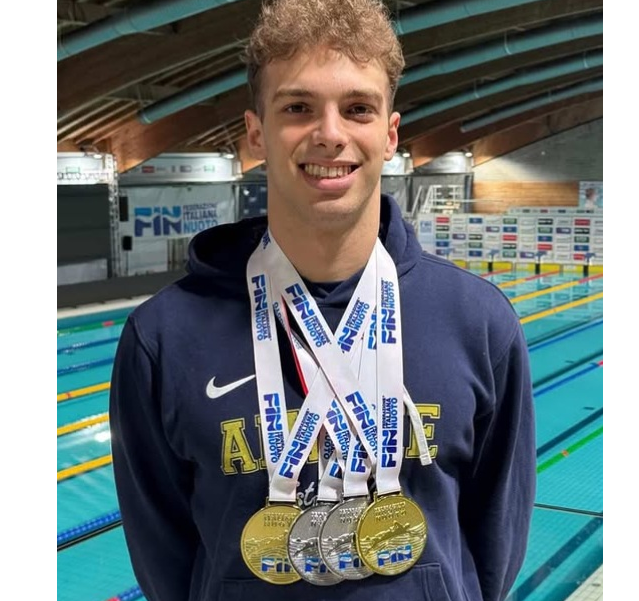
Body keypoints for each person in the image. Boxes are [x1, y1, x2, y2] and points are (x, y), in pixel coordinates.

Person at [108, 0, 536, 599]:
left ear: (389, 134)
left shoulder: (479, 322)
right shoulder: (163, 338)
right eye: (298, 108)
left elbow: (493, 551)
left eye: (357, 109)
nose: (330, 134)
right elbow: (165, 561)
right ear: (256, 133)